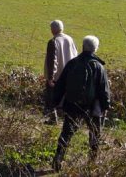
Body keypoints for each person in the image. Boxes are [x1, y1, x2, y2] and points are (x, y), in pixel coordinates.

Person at [51, 36, 111, 172]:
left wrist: (55, 102)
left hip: (72, 105)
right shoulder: (99, 66)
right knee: (95, 135)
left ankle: (57, 161)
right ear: (96, 49)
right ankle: (91, 164)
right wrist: (105, 106)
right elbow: (104, 90)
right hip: (91, 107)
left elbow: (60, 85)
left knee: (66, 134)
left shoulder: (73, 63)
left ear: (82, 46)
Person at [43, 20, 78, 124]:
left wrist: (50, 78)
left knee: (51, 98)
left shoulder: (53, 41)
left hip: (57, 75)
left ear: (53, 30)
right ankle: (68, 120)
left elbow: (52, 61)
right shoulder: (70, 39)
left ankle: (53, 119)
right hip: (70, 74)